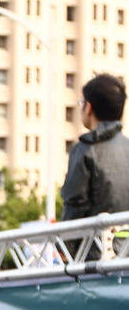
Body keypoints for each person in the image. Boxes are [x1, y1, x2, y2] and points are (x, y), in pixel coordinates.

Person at [61, 74, 129, 222]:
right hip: (125, 235)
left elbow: (74, 208)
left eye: (81, 102)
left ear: (89, 108)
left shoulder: (85, 150)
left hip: (98, 236)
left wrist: (62, 237)